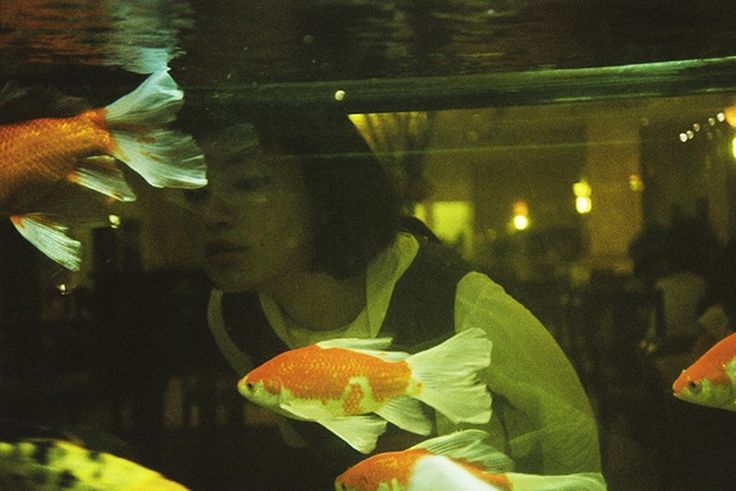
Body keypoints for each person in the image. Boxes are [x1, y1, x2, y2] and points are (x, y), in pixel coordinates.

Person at [183, 108, 602, 486]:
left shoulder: (455, 297)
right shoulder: (233, 316)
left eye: (247, 184)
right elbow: (306, 440)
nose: (212, 214)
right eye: (197, 192)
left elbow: (570, 429)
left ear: (325, 189)